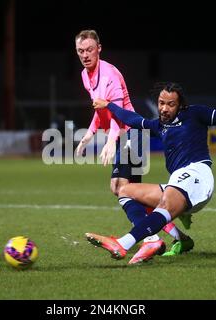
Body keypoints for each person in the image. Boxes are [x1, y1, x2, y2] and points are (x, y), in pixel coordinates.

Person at [86, 82, 216, 264]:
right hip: (179, 181)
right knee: (125, 191)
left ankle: (122, 244)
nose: (164, 108)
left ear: (180, 105)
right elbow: (132, 119)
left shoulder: (195, 114)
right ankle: (178, 239)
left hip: (197, 175)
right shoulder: (159, 125)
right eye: (161, 103)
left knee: (165, 205)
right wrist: (109, 106)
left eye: (170, 104)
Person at [74, 30, 184, 263]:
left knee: (119, 187)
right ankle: (176, 234)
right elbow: (100, 111)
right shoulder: (86, 75)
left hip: (131, 133)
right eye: (80, 51)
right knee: (134, 195)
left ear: (99, 48)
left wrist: (112, 141)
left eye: (89, 49)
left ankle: (151, 238)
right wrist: (89, 135)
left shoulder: (110, 75)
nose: (85, 55)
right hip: (126, 136)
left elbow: (116, 113)